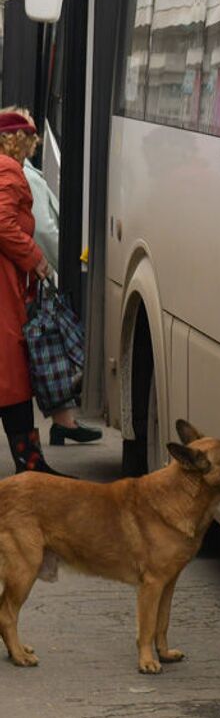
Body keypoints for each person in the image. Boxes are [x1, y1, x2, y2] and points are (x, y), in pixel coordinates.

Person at [4, 107, 101, 448]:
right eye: (30, 138)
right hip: (10, 284)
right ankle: (31, 459)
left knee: (19, 371)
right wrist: (43, 263)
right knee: (19, 369)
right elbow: (33, 226)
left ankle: (35, 454)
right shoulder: (13, 172)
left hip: (13, 283)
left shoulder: (17, 171)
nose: (34, 143)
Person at [0, 110, 65, 474]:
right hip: (4, 289)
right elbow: (3, 222)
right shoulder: (8, 169)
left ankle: (32, 463)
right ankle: (32, 466)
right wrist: (36, 258)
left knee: (10, 380)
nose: (31, 153)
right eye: (30, 145)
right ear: (18, 141)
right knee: (11, 379)